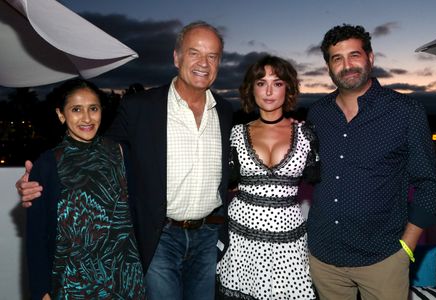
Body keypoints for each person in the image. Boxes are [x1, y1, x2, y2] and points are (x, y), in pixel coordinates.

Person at [17, 21, 234, 300]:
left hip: (207, 236)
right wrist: (39, 181)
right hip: (159, 237)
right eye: (194, 53)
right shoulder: (139, 107)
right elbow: (91, 149)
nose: (203, 63)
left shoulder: (225, 111)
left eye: (212, 56)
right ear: (177, 57)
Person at [306, 24, 436, 300]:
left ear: (370, 57)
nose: (347, 65)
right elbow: (311, 171)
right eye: (337, 58)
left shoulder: (405, 112)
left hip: (383, 259)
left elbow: (429, 186)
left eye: (354, 55)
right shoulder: (317, 114)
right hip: (323, 258)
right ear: (328, 67)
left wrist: (407, 245)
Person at [26, 78, 145, 299]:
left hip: (125, 280)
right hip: (72, 283)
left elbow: (138, 213)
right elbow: (36, 236)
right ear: (61, 115)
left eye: (93, 108)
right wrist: (41, 290)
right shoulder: (48, 163)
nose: (87, 118)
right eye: (76, 109)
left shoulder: (120, 154)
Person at [216, 55, 319, 300]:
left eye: (278, 83)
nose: (269, 91)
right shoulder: (236, 134)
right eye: (261, 83)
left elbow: (323, 185)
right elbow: (223, 181)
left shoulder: (306, 134)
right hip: (242, 237)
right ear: (252, 89)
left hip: (289, 241)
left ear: (289, 88)